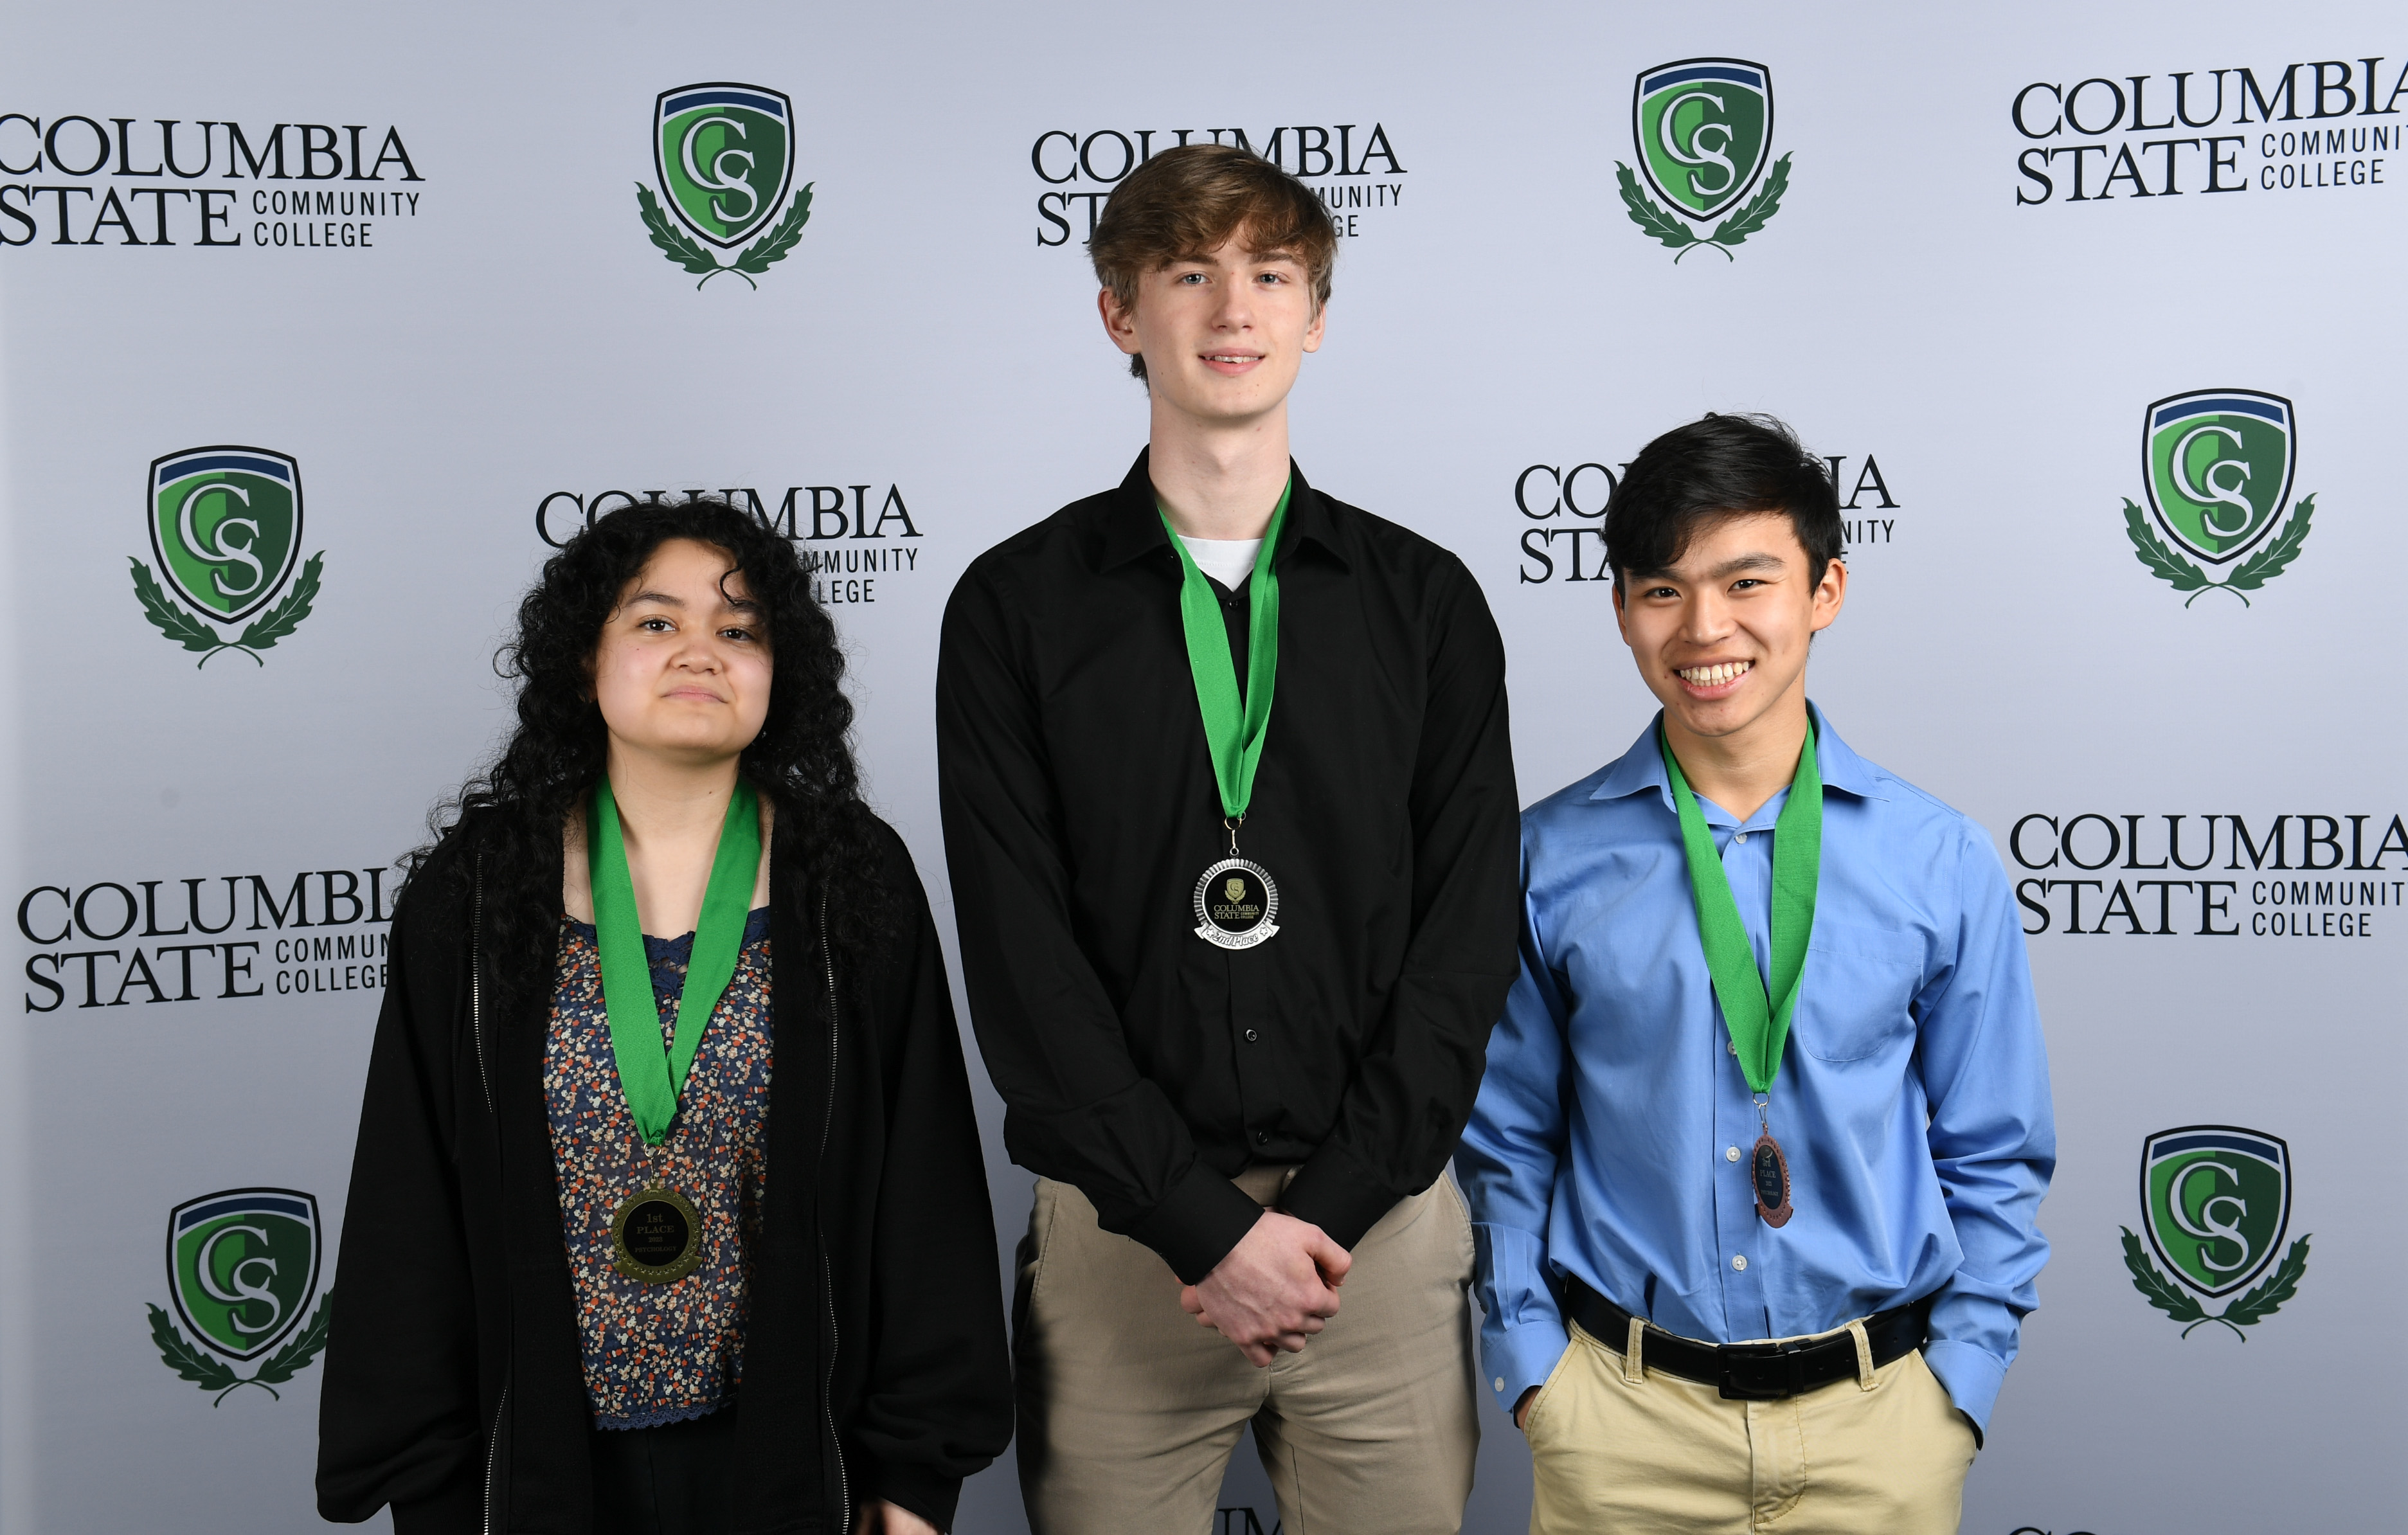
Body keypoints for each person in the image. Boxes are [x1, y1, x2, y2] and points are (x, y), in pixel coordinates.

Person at [936, 143, 1520, 1535]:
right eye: (1186, 273)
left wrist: (1323, 1214)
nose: (1230, 309)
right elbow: (1025, 966)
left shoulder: (1424, 604)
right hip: (1127, 1242)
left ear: (1315, 316)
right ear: (1118, 314)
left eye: (1268, 274)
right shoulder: (1014, 609)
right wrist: (1204, 1227)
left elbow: (1464, 942)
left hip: (1370, 1238)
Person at [316, 499, 1011, 1535]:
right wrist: (435, 1490)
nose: (701, 652)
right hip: (545, 1470)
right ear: (582, 659)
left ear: (782, 676)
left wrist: (912, 1476)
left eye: (738, 631)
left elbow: (927, 1193)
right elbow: (404, 1204)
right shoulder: (477, 891)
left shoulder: (850, 878)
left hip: (781, 1463)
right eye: (655, 622)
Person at [1457, 413, 2054, 1534]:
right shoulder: (1544, 861)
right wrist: (1537, 1373)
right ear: (1623, 610)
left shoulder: (1939, 858)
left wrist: (1954, 1391)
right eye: (1661, 590)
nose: (1705, 628)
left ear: (1824, 590)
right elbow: (1506, 1143)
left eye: (1747, 582)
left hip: (1881, 1432)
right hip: (1623, 1435)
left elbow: (1994, 1147)